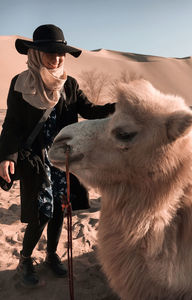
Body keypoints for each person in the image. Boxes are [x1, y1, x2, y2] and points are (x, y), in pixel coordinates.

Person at [0, 24, 115, 288]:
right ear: (37, 53)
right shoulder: (20, 84)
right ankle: (26, 258)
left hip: (64, 160)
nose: (58, 58)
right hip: (36, 160)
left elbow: (90, 111)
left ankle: (52, 255)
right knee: (40, 214)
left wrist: (119, 108)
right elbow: (13, 125)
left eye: (61, 53)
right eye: (51, 52)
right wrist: (6, 155)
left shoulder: (69, 84)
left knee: (59, 212)